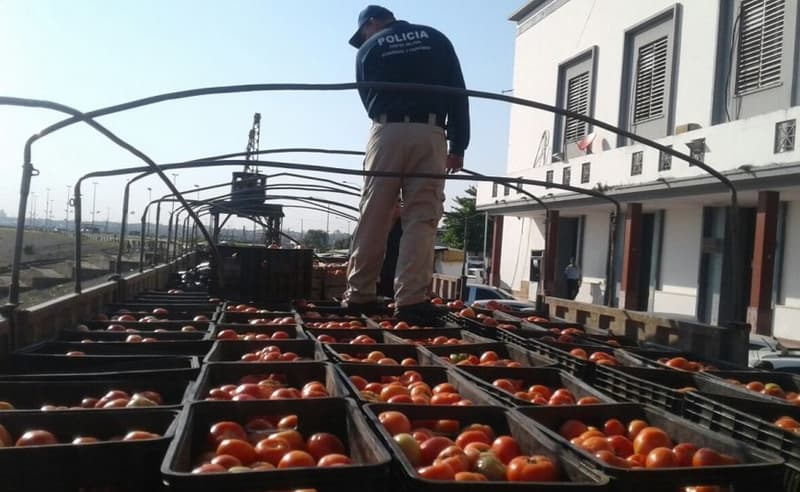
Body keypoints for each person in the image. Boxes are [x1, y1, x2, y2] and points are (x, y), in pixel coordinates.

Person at [344, 5, 470, 325]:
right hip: (430, 131)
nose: (364, 38)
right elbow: (457, 93)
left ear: (372, 22)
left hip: (385, 130)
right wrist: (458, 145)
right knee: (422, 216)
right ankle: (411, 300)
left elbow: (367, 100)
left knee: (374, 213)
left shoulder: (368, 49)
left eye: (363, 32)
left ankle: (360, 294)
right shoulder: (435, 38)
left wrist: (388, 119)